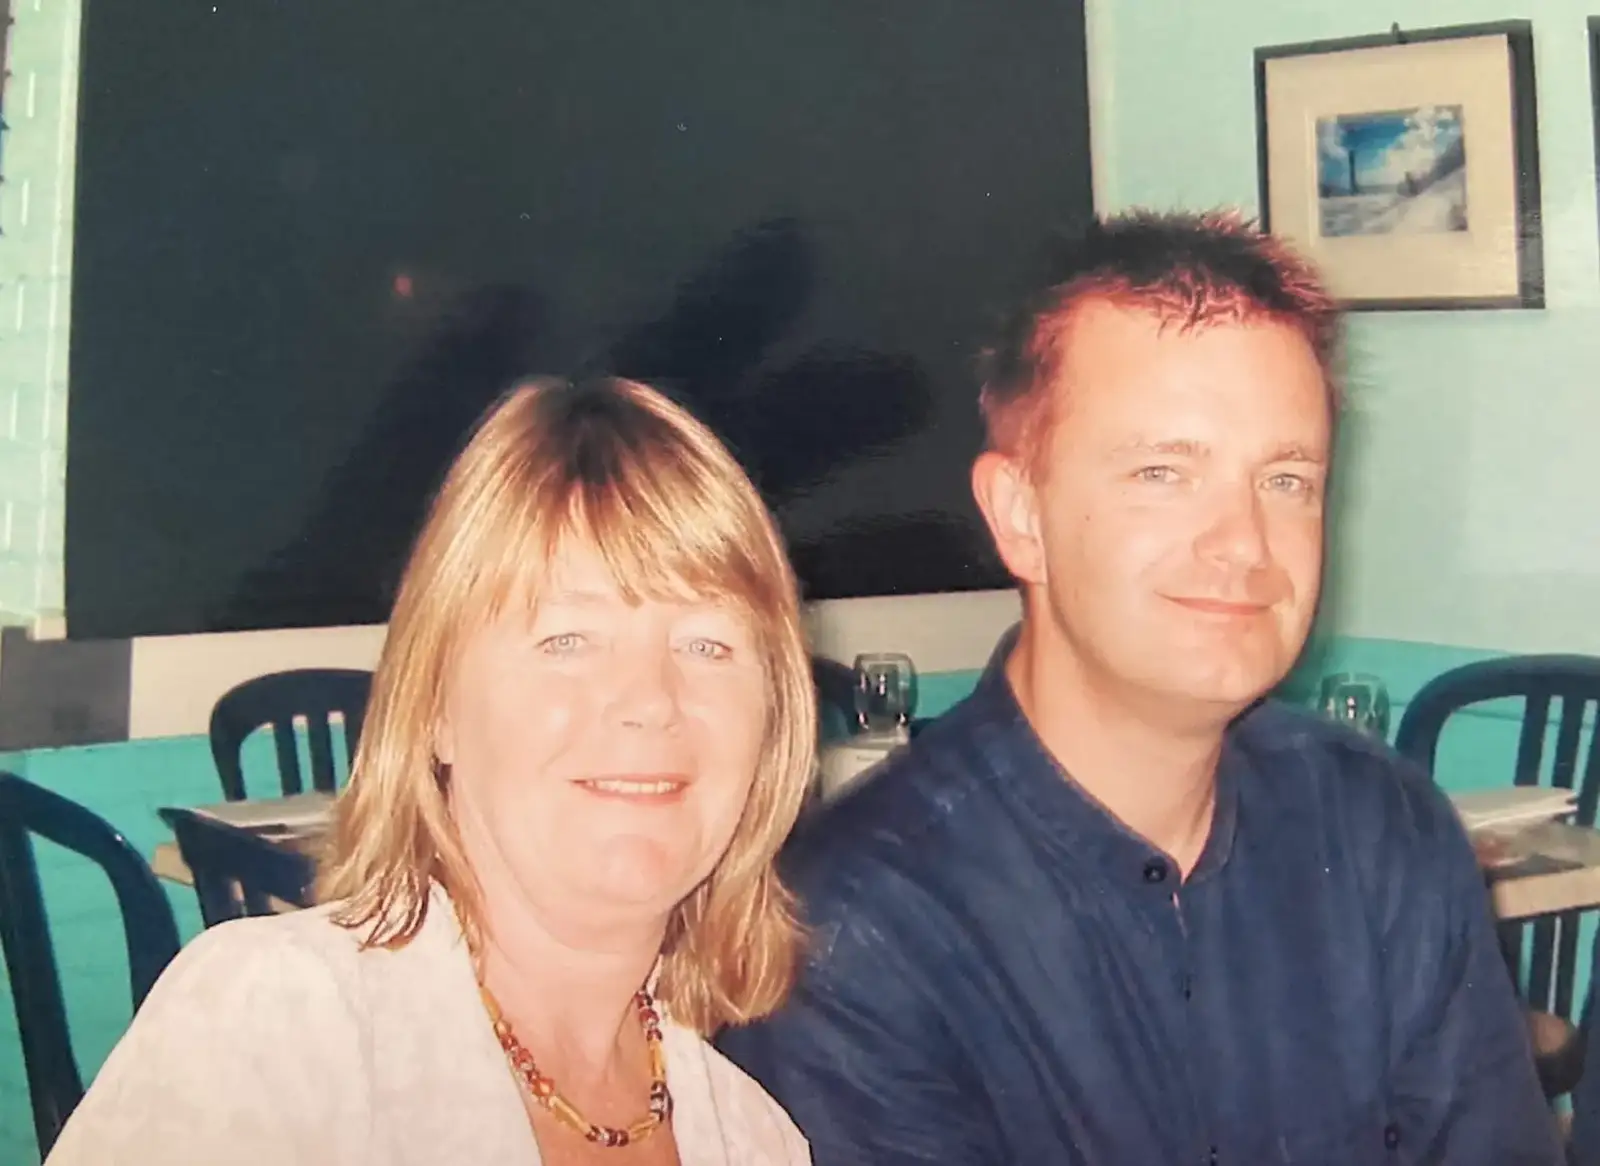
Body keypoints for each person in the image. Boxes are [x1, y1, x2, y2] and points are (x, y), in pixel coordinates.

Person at [716, 211, 1562, 1165]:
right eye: (1164, 472)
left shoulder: (1383, 829)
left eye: (1286, 480)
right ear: (1020, 517)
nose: (1244, 543)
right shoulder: (852, 926)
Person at [49, 378, 816, 1165]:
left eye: (708, 645)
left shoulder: (756, 1138)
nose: (651, 701)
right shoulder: (270, 1035)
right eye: (567, 640)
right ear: (437, 707)